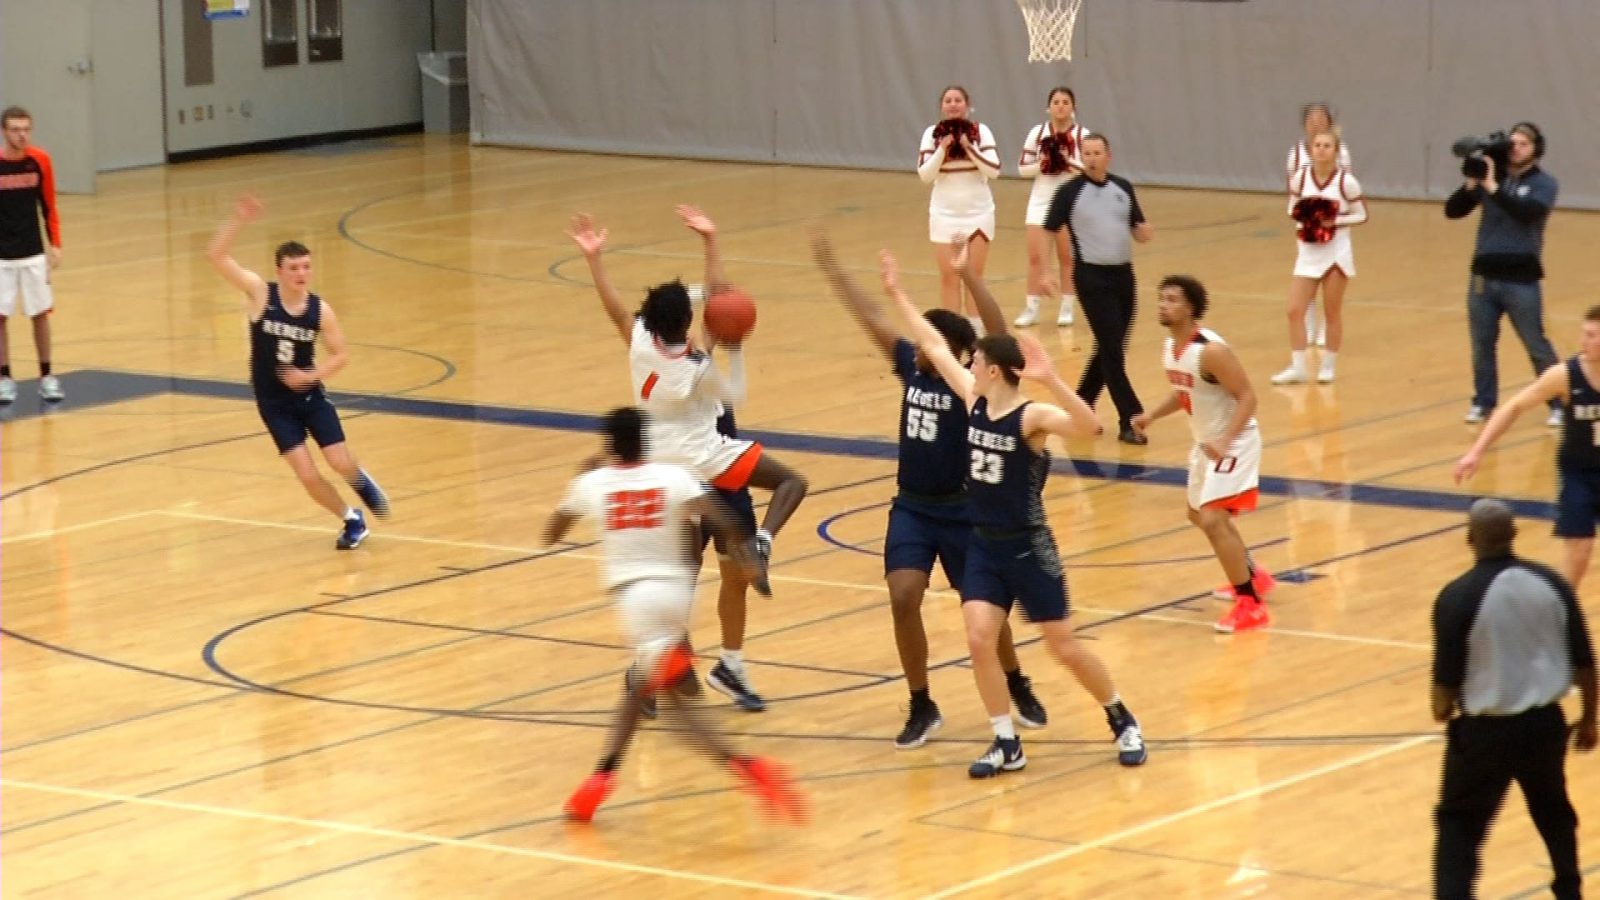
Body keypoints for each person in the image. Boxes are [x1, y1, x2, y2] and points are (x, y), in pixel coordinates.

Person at [882, 250, 1147, 777]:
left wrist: (1052, 379)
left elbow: (1091, 427)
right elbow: (933, 342)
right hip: (983, 543)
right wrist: (897, 295)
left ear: (996, 370)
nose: (966, 365)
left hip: (1027, 545)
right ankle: (1006, 741)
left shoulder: (1032, 416)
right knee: (979, 637)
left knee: (1063, 647)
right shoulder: (971, 397)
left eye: (975, 361)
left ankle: (1120, 715)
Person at [812, 231, 1048, 750]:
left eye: (926, 346)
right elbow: (873, 319)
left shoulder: (975, 385)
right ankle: (921, 702)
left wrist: (968, 275)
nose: (916, 352)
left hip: (967, 512)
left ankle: (1015, 680)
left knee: (983, 610)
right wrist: (835, 272)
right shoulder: (911, 369)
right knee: (902, 595)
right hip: (914, 508)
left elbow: (998, 329)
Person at [567, 205, 808, 711]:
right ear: (684, 326)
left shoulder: (643, 342)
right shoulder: (694, 369)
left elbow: (679, 307)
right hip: (703, 458)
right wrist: (730, 334)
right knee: (695, 573)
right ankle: (654, 669)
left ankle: (728, 667)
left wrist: (599, 260)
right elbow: (723, 315)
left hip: (682, 457)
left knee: (729, 573)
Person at [545, 407, 807, 825]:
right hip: (678, 594)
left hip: (639, 602)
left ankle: (749, 768)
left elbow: (551, 533)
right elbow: (721, 517)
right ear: (646, 442)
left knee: (678, 713)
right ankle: (598, 781)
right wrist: (749, 558)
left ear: (611, 445)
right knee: (647, 687)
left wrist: (578, 484)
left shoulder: (596, 483)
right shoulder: (674, 477)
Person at [1430, 498, 1595, 900]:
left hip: (1483, 734)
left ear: (1470, 538)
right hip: (1544, 727)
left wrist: (1442, 709)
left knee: (1459, 824)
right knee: (1553, 810)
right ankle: (1569, 890)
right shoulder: (1552, 584)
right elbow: (1585, 663)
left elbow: (1443, 695)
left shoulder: (1457, 597)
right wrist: (1590, 719)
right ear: (1514, 534)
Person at [207, 194, 390, 549]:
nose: (301, 274)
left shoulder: (320, 310)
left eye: (306, 267)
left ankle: (360, 480)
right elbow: (216, 256)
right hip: (273, 403)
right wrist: (238, 221)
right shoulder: (261, 294)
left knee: (338, 461)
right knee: (307, 476)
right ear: (279, 271)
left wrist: (310, 376)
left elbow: (341, 355)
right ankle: (351, 518)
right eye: (294, 268)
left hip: (309, 396)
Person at [1132, 276, 1276, 633]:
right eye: (1161, 298)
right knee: (1197, 515)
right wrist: (1151, 415)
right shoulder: (1170, 349)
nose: (1163, 305)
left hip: (1235, 441)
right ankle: (1252, 575)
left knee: (1213, 519)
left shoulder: (1211, 350)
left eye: (1172, 300)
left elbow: (1248, 397)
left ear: (1191, 308)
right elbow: (1185, 392)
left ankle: (1250, 604)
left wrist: (1227, 440)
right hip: (1205, 443)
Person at [1455, 305, 1600, 591]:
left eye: (1593, 335)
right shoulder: (1566, 375)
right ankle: (1559, 614)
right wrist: (1476, 451)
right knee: (1579, 550)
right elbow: (1514, 407)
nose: (1585, 341)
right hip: (1579, 474)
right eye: (1585, 334)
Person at [1444, 123, 1561, 427]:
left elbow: (1526, 214)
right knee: (1482, 344)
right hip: (1483, 275)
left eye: (1524, 143)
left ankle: (1558, 402)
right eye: (1513, 143)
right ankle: (1483, 403)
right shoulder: (1490, 178)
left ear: (1537, 149)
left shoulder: (1544, 184)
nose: (1516, 148)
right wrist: (1472, 183)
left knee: (1535, 343)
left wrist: (1493, 187)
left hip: (1521, 278)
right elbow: (1452, 211)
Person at [1041, 134, 1153, 444]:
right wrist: (1044, 270)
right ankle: (1129, 418)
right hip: (1091, 278)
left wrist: (1144, 232)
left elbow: (1138, 227)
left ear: (1108, 156)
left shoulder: (1122, 188)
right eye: (1086, 153)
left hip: (1123, 277)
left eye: (1097, 152)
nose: (1091, 158)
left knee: (1111, 347)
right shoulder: (1069, 192)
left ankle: (1081, 404)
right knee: (1112, 349)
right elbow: (1047, 230)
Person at [1271, 131, 1367, 386]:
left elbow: (1362, 215)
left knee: (1332, 311)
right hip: (1308, 249)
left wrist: (1335, 220)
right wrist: (1306, 215)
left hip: (1336, 251)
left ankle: (1328, 365)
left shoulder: (1347, 182)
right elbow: (1292, 207)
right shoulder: (1301, 178)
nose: (1322, 150)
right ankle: (1298, 367)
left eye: (1327, 146)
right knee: (1294, 310)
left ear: (1336, 151)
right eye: (1317, 145)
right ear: (1311, 149)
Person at [917, 85, 1001, 320]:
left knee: (974, 276)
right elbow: (925, 175)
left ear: (967, 104)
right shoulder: (931, 134)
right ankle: (954, 335)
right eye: (948, 100)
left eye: (958, 100)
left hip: (979, 213)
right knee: (949, 276)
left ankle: (976, 335)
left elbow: (994, 170)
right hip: (944, 214)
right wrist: (942, 149)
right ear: (942, 106)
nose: (953, 104)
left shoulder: (981, 131)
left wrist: (968, 147)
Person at [0, 106, 64, 403]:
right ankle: (4, 378)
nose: (21, 134)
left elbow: (49, 206)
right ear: (4, 131)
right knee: (0, 317)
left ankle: (47, 376)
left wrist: (56, 244)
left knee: (40, 314)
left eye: (26, 129)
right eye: (15, 129)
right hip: (2, 257)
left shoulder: (40, 161)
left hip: (33, 253)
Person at [1015, 87, 1088, 329]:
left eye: (1065, 102)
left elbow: (1089, 170)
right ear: (1049, 107)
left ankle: (1067, 306)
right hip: (1040, 200)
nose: (1060, 106)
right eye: (1055, 102)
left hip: (1070, 201)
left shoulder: (1082, 135)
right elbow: (1022, 168)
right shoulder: (1038, 133)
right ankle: (1032, 307)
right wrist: (1043, 163)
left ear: (1073, 108)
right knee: (1035, 257)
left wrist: (1067, 160)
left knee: (1067, 257)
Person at [1285, 103, 1353, 349]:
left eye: (1320, 118)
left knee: (1330, 277)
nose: (1315, 123)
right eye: (1311, 119)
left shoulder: (1341, 152)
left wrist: (1333, 217)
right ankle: (1310, 325)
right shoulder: (1296, 153)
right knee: (1308, 275)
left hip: (1331, 222)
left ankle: (1327, 326)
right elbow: (1291, 187)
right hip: (1307, 222)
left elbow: (1346, 186)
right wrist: (1300, 213)